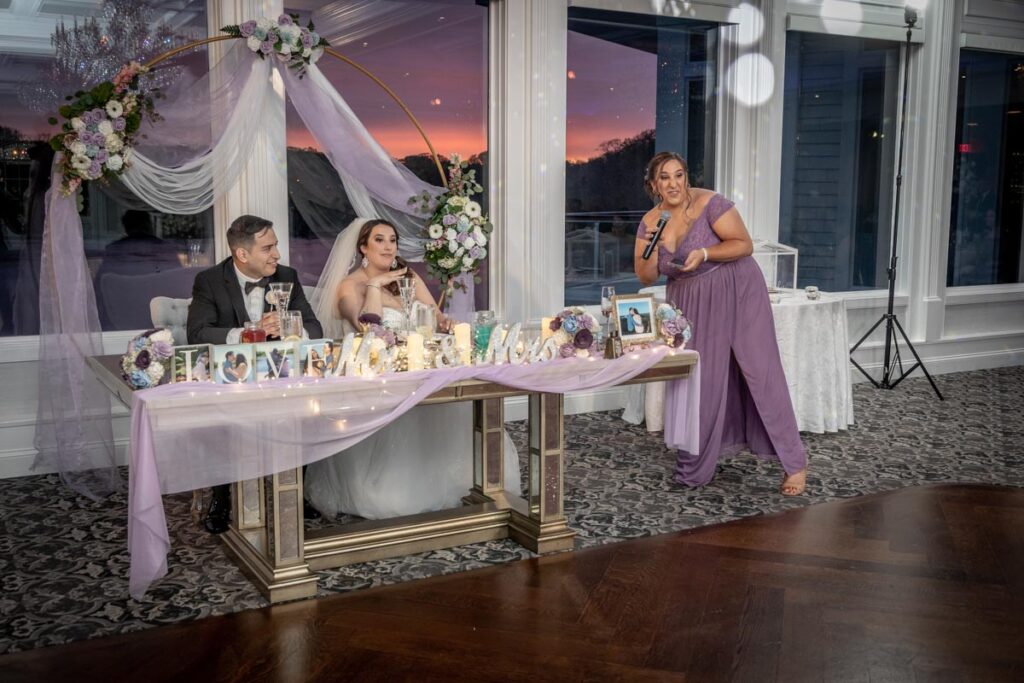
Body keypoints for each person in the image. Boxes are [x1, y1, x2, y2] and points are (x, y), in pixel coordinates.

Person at [305, 218, 521, 520]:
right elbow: (368, 327)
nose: (388, 246)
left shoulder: (408, 277)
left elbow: (434, 315)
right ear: (363, 247)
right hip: (380, 376)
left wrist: (445, 324)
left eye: (392, 240)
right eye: (379, 240)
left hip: (419, 366)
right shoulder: (348, 286)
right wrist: (374, 285)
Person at [634, 152, 807, 495]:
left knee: (759, 368)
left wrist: (706, 253)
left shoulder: (711, 203)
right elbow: (645, 276)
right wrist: (652, 244)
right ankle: (695, 464)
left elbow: (743, 245)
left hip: (737, 288)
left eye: (679, 175)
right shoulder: (650, 222)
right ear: (653, 185)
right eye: (665, 178)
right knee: (699, 380)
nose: (673, 184)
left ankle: (795, 463)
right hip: (689, 301)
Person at [185, 214, 324, 533]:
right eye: (268, 248)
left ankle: (295, 493)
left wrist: (293, 327)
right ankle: (222, 496)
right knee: (221, 421)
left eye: (275, 246)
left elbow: (315, 327)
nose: (277, 254)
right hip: (229, 375)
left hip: (280, 373)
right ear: (242, 254)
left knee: (307, 409)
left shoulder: (286, 276)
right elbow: (198, 333)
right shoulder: (209, 280)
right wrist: (250, 331)